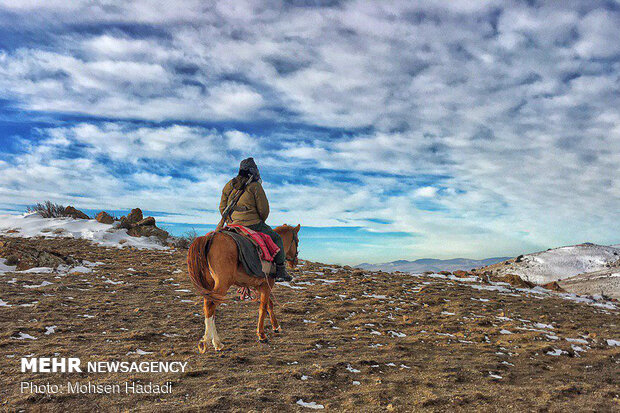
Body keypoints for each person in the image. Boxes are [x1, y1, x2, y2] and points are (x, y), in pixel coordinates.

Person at [219, 158, 292, 282]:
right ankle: (280, 271)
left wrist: (230, 221)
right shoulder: (255, 186)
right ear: (253, 171)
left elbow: (222, 207)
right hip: (252, 224)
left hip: (232, 225)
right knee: (277, 238)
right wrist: (260, 221)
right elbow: (264, 210)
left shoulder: (229, 185)